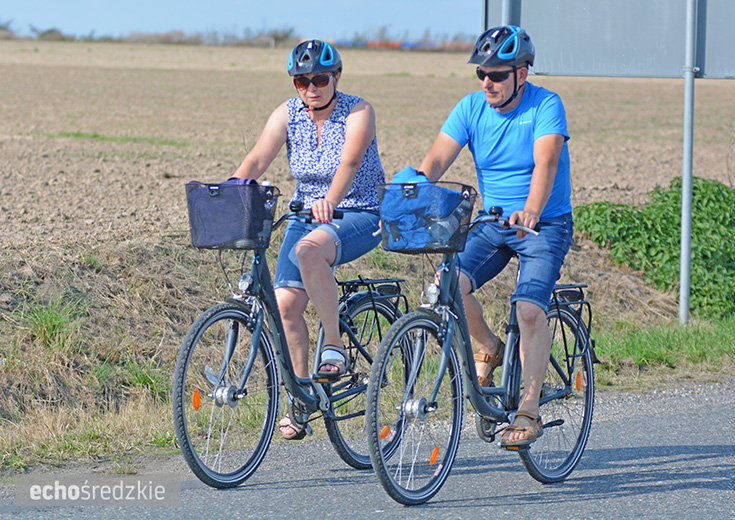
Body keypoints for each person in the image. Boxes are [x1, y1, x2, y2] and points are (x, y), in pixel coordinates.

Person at [414, 26, 573, 448]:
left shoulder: (546, 106)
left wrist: (533, 211)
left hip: (545, 224)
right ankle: (489, 346)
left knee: (527, 310)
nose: (488, 82)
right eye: (482, 73)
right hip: (493, 222)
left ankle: (528, 408)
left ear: (522, 74)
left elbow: (546, 163)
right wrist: (408, 190)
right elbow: (434, 161)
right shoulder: (470, 108)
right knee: (446, 286)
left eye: (498, 75)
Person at [231, 39, 384, 440]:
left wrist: (329, 202)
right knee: (285, 305)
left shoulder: (358, 111)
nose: (310, 87)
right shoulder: (289, 112)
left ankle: (333, 346)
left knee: (309, 249)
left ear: (336, 77)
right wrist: (229, 191)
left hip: (358, 211)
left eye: (319, 79)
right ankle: (302, 396)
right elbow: (257, 159)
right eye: (302, 81)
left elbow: (350, 161)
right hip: (306, 213)